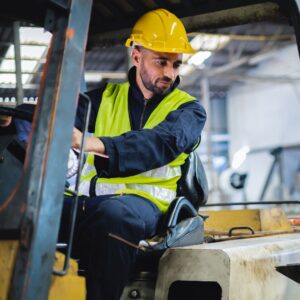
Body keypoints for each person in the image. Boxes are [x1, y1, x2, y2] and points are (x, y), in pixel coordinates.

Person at [1, 8, 206, 300]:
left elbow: (159, 144)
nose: (169, 74)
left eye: (175, 64)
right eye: (161, 62)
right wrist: (12, 116)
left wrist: (92, 142)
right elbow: (56, 115)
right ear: (137, 57)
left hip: (147, 208)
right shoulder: (103, 99)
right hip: (88, 203)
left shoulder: (188, 111)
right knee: (23, 209)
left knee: (114, 218)